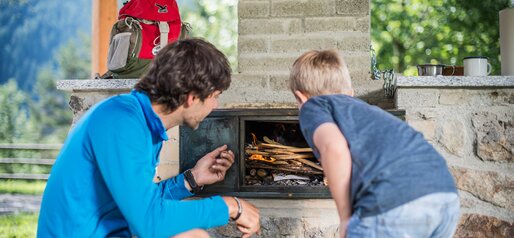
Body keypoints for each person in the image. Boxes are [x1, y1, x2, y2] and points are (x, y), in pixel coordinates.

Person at [37, 38, 261, 238]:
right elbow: (149, 223)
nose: (216, 105)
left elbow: (141, 201)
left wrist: (192, 179)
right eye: (215, 96)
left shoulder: (138, 120)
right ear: (192, 98)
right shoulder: (120, 123)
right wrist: (230, 206)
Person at [288, 49, 460, 238]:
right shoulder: (367, 111)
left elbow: (334, 148)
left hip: (392, 199)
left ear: (300, 97)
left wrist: (345, 218)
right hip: (444, 193)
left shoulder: (313, 106)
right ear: (350, 93)